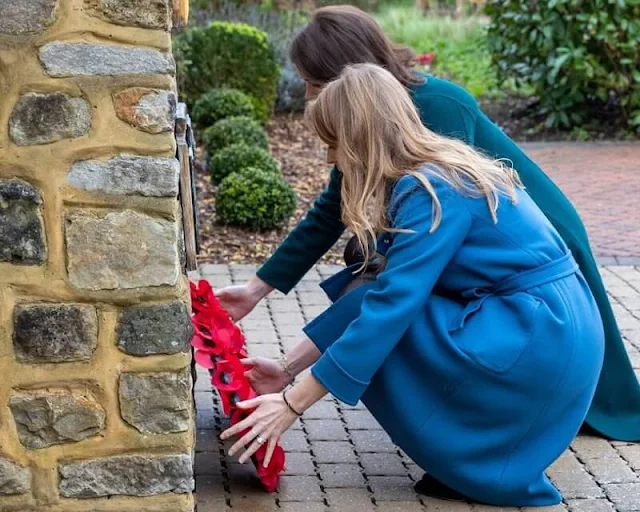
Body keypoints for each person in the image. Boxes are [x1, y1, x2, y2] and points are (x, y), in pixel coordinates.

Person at [216, 5, 640, 442]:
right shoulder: (366, 120)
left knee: (403, 305)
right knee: (374, 289)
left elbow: (444, 212)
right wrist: (256, 292)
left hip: (538, 237)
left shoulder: (431, 111)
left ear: (344, 72)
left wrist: (294, 400)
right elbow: (332, 209)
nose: (308, 95)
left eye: (313, 83)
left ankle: (556, 411)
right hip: (492, 245)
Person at [220, 63, 604, 506]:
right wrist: (287, 371)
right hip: (553, 325)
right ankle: (471, 460)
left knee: (387, 321)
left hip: (538, 338)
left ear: (360, 139)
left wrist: (291, 404)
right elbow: (376, 290)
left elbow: (391, 307)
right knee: (374, 298)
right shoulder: (436, 168)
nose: (330, 160)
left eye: (333, 145)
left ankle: (478, 461)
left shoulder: (429, 189)